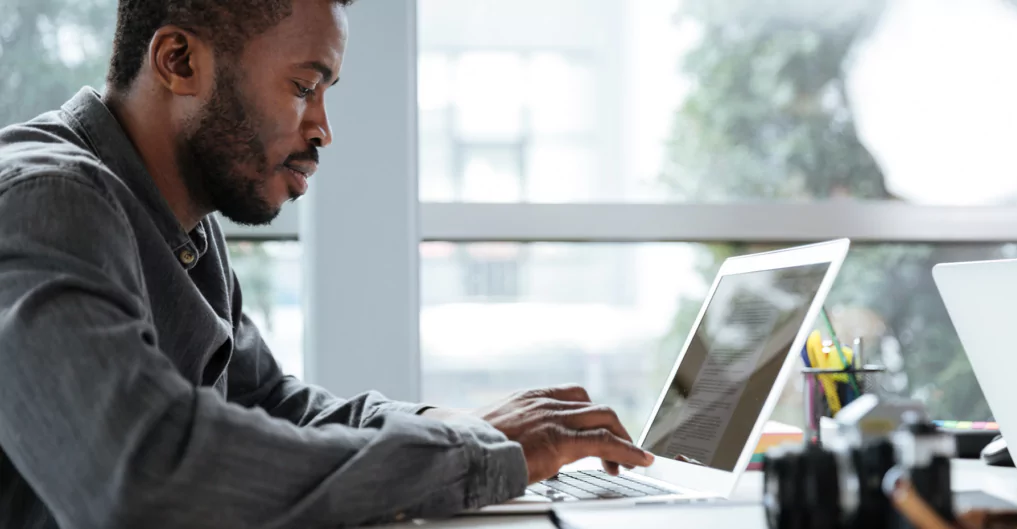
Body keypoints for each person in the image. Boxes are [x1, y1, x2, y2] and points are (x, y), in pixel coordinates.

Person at [0, 0, 655, 527]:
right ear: (179, 60)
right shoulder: (45, 201)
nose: (322, 128)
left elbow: (275, 404)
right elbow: (146, 475)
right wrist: (474, 458)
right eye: (304, 87)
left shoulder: (183, 225)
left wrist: (454, 426)